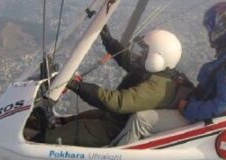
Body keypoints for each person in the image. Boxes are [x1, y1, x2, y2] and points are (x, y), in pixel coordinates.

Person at [114, 1, 226, 145]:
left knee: (140, 120)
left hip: (196, 117)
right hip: (196, 108)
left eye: (211, 29)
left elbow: (222, 104)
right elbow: (212, 90)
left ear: (222, 27)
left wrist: (188, 108)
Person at [41, 26, 192, 147]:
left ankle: (36, 139)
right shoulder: (157, 73)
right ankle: (45, 126)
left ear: (157, 57)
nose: (140, 55)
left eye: (145, 52)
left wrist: (76, 85)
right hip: (116, 118)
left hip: (117, 129)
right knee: (77, 119)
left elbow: (117, 102)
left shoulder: (159, 87)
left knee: (73, 131)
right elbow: (126, 59)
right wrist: (107, 38)